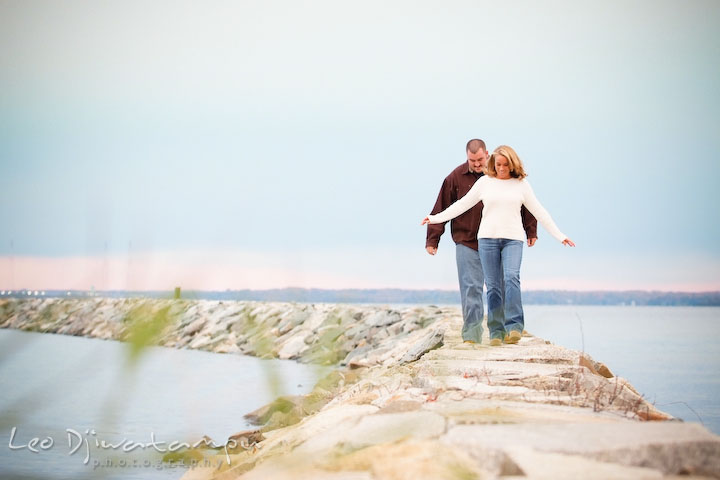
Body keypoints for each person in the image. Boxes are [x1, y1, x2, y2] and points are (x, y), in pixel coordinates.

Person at [422, 145, 574, 346]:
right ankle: (493, 332)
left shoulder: (521, 185)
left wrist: (558, 235)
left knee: (511, 278)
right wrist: (434, 219)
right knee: (491, 288)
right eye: (498, 164)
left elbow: (538, 211)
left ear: (512, 164)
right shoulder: (483, 182)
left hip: (513, 239)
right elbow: (460, 205)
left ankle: (514, 326)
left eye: (505, 165)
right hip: (484, 239)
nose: (501, 168)